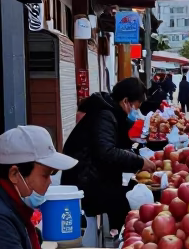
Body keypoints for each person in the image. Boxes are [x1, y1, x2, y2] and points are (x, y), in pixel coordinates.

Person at [62, 77, 146, 234]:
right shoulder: (105, 115)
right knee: (123, 205)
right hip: (85, 180)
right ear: (126, 101)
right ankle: (116, 238)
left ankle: (114, 234)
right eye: (136, 107)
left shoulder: (111, 113)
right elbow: (107, 151)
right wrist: (139, 162)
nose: (137, 112)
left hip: (94, 175)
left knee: (125, 198)